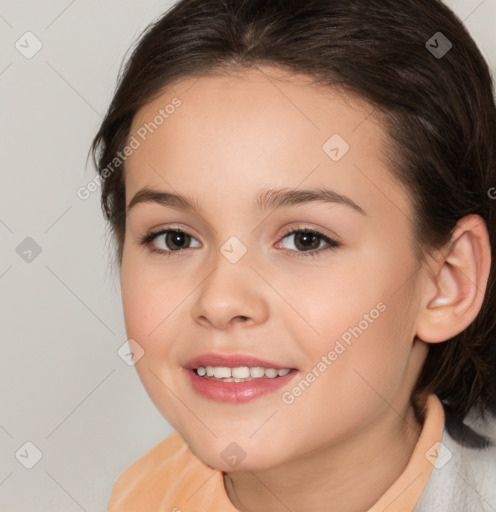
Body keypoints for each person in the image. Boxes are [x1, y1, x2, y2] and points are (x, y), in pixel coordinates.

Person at [89, 0, 496, 510]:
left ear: (447, 282)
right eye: (175, 238)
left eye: (306, 239)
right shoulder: (143, 495)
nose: (220, 301)